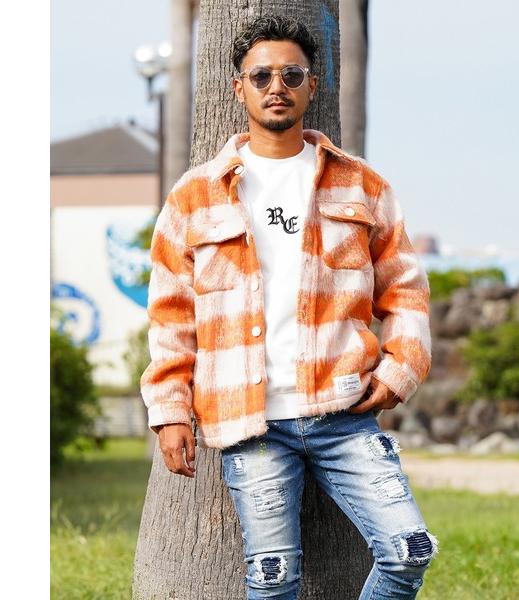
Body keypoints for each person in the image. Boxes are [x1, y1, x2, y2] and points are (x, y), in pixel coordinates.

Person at [140, 14, 439, 600]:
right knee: (273, 581)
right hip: (250, 421)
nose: (276, 86)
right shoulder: (194, 196)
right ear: (239, 88)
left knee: (408, 551)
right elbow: (171, 313)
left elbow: (405, 287)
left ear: (311, 85)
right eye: (261, 76)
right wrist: (170, 411)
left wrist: (401, 368)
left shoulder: (362, 186)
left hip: (342, 410)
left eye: (291, 75)